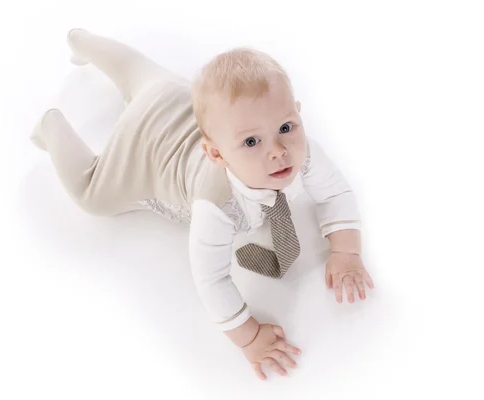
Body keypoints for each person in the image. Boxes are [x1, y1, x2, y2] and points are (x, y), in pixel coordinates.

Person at [30, 28, 375, 380]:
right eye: (252, 141)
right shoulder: (217, 205)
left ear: (297, 114)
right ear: (215, 153)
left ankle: (81, 40)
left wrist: (346, 250)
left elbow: (336, 192)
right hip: (149, 150)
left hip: (173, 97)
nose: (278, 151)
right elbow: (211, 278)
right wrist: (249, 335)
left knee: (142, 78)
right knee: (91, 193)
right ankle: (51, 124)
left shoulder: (300, 150)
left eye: (286, 126)